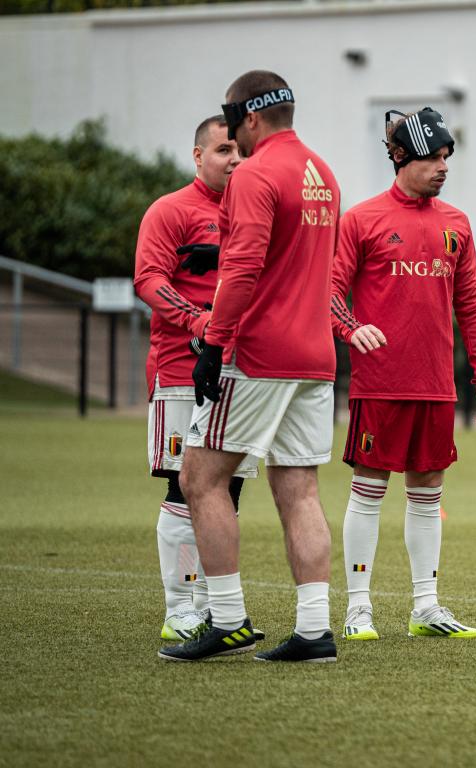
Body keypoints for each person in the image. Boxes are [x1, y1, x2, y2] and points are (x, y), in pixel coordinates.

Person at [159, 70, 342, 663]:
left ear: (252, 117)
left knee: (199, 479)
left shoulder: (257, 172)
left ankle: (229, 619)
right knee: (299, 489)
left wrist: (214, 343)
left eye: (235, 127)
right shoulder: (323, 172)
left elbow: (241, 269)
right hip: (315, 358)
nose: (234, 143)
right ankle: (315, 630)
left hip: (259, 354)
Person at [329, 108, 476, 642]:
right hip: (379, 384)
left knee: (428, 493)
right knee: (368, 491)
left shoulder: (457, 223)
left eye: (447, 156)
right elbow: (328, 292)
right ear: (400, 158)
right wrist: (350, 328)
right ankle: (359, 609)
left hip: (435, 385)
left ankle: (425, 607)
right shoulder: (360, 219)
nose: (442, 166)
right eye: (431, 156)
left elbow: (471, 305)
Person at [134, 115, 259, 642]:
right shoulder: (171, 210)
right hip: (182, 371)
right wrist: (198, 321)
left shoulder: (254, 210)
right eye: (224, 149)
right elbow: (148, 279)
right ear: (198, 155)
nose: (234, 160)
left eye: (239, 151)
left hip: (242, 373)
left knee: (227, 492)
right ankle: (180, 606)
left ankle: (214, 605)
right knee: (184, 488)